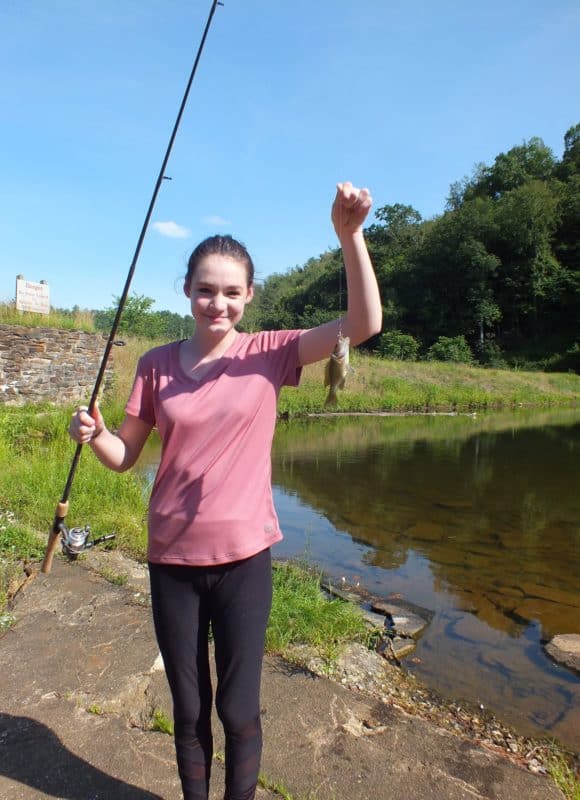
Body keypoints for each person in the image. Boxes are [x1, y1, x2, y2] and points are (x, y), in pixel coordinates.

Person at [69, 181, 382, 800]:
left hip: (244, 561)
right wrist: (97, 432)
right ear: (187, 291)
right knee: (189, 709)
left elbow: (364, 324)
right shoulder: (155, 363)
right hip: (172, 562)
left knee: (239, 711)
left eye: (232, 292)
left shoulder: (272, 353)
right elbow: (125, 456)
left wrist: (351, 237)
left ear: (249, 296)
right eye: (206, 291)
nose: (218, 304)